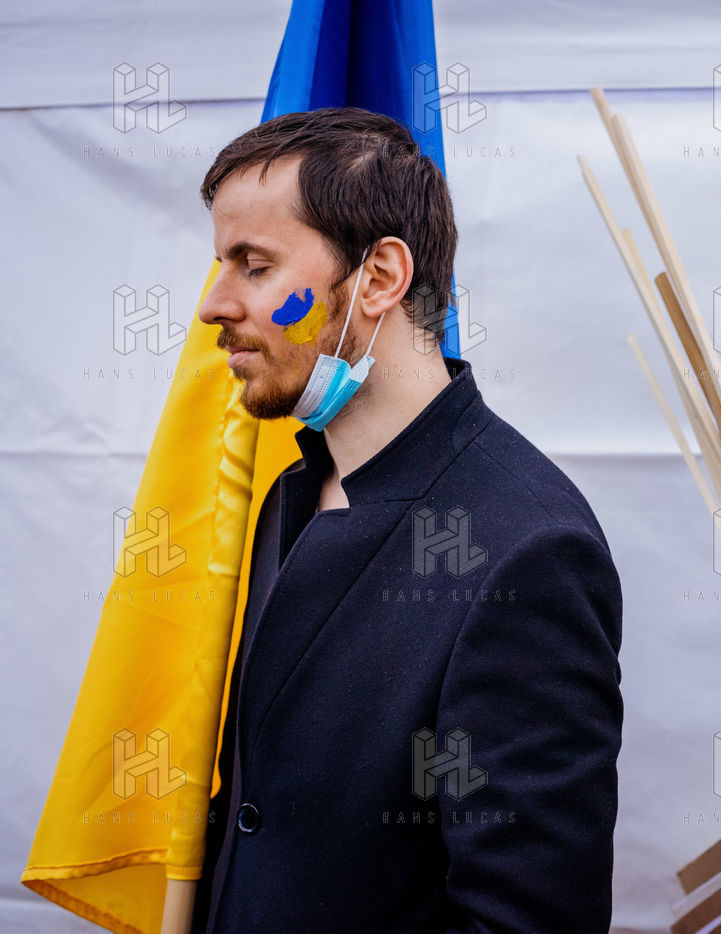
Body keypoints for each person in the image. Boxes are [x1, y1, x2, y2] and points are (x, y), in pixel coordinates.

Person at [188, 107, 624, 931]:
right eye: (221, 265)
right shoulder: (288, 494)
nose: (213, 305)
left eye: (254, 265)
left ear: (381, 276)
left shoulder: (528, 549)